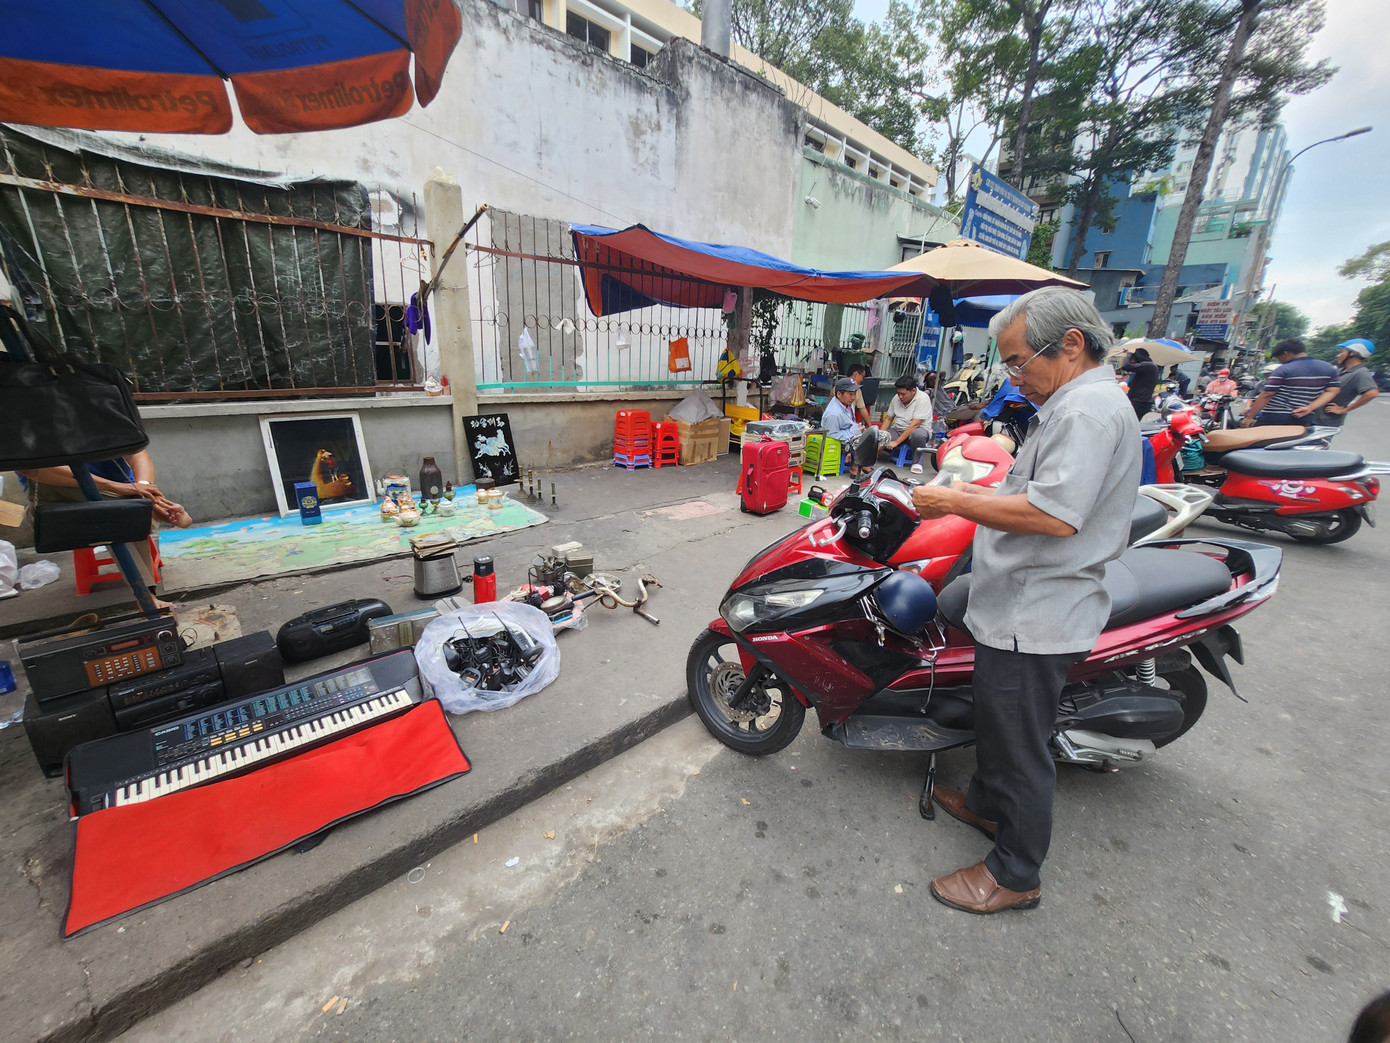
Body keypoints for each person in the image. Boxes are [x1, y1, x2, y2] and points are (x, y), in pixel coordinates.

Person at [910, 287, 1140, 914]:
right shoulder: (1076, 403)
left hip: (1033, 610)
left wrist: (954, 501)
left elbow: (1053, 514)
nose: (1015, 376)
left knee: (1019, 745)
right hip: (1016, 598)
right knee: (998, 723)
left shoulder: (1085, 411)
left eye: (1017, 361)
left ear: (1071, 345)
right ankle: (986, 805)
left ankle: (1015, 873)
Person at [19, 449, 190, 610]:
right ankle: (146, 596)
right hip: (59, 501)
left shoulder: (105, 421)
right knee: (123, 513)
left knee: (135, 504)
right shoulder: (33, 426)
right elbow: (30, 468)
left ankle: (158, 510)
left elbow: (137, 452)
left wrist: (144, 487)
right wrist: (114, 486)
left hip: (121, 495)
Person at [1240, 338, 1338, 427]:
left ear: (1286, 354)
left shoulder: (1284, 369)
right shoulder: (1328, 368)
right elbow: (1332, 391)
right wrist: (1310, 408)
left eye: (1279, 358)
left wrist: (1249, 417)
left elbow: (1267, 393)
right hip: (1303, 418)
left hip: (1274, 417)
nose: (1281, 362)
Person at [1304, 338, 1379, 427]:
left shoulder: (1360, 372)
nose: (1338, 355)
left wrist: (1344, 410)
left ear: (1353, 353)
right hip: (1313, 417)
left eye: (1342, 352)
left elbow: (1372, 393)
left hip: (1325, 422)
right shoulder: (1341, 371)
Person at [820, 377, 877, 479]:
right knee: (865, 440)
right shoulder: (833, 413)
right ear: (839, 394)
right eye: (850, 394)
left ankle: (861, 462)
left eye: (854, 394)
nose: (853, 397)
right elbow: (831, 434)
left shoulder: (847, 404)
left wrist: (857, 429)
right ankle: (855, 467)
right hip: (840, 442)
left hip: (850, 435)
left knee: (880, 436)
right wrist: (853, 432)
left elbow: (851, 423)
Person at [878, 374, 934, 474]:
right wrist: (880, 435)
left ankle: (916, 462)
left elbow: (915, 424)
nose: (900, 396)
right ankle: (869, 457)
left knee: (918, 435)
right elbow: (888, 419)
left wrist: (896, 442)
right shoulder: (896, 398)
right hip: (898, 429)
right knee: (884, 436)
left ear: (913, 391)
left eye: (903, 394)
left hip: (917, 430)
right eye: (898, 393)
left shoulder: (923, 398)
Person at [1122, 346, 1160, 419]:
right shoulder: (1147, 367)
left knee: (1129, 424)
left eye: (1133, 359)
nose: (1132, 362)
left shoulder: (1148, 365)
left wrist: (1129, 353)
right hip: (1140, 401)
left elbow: (1126, 366)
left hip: (1139, 402)